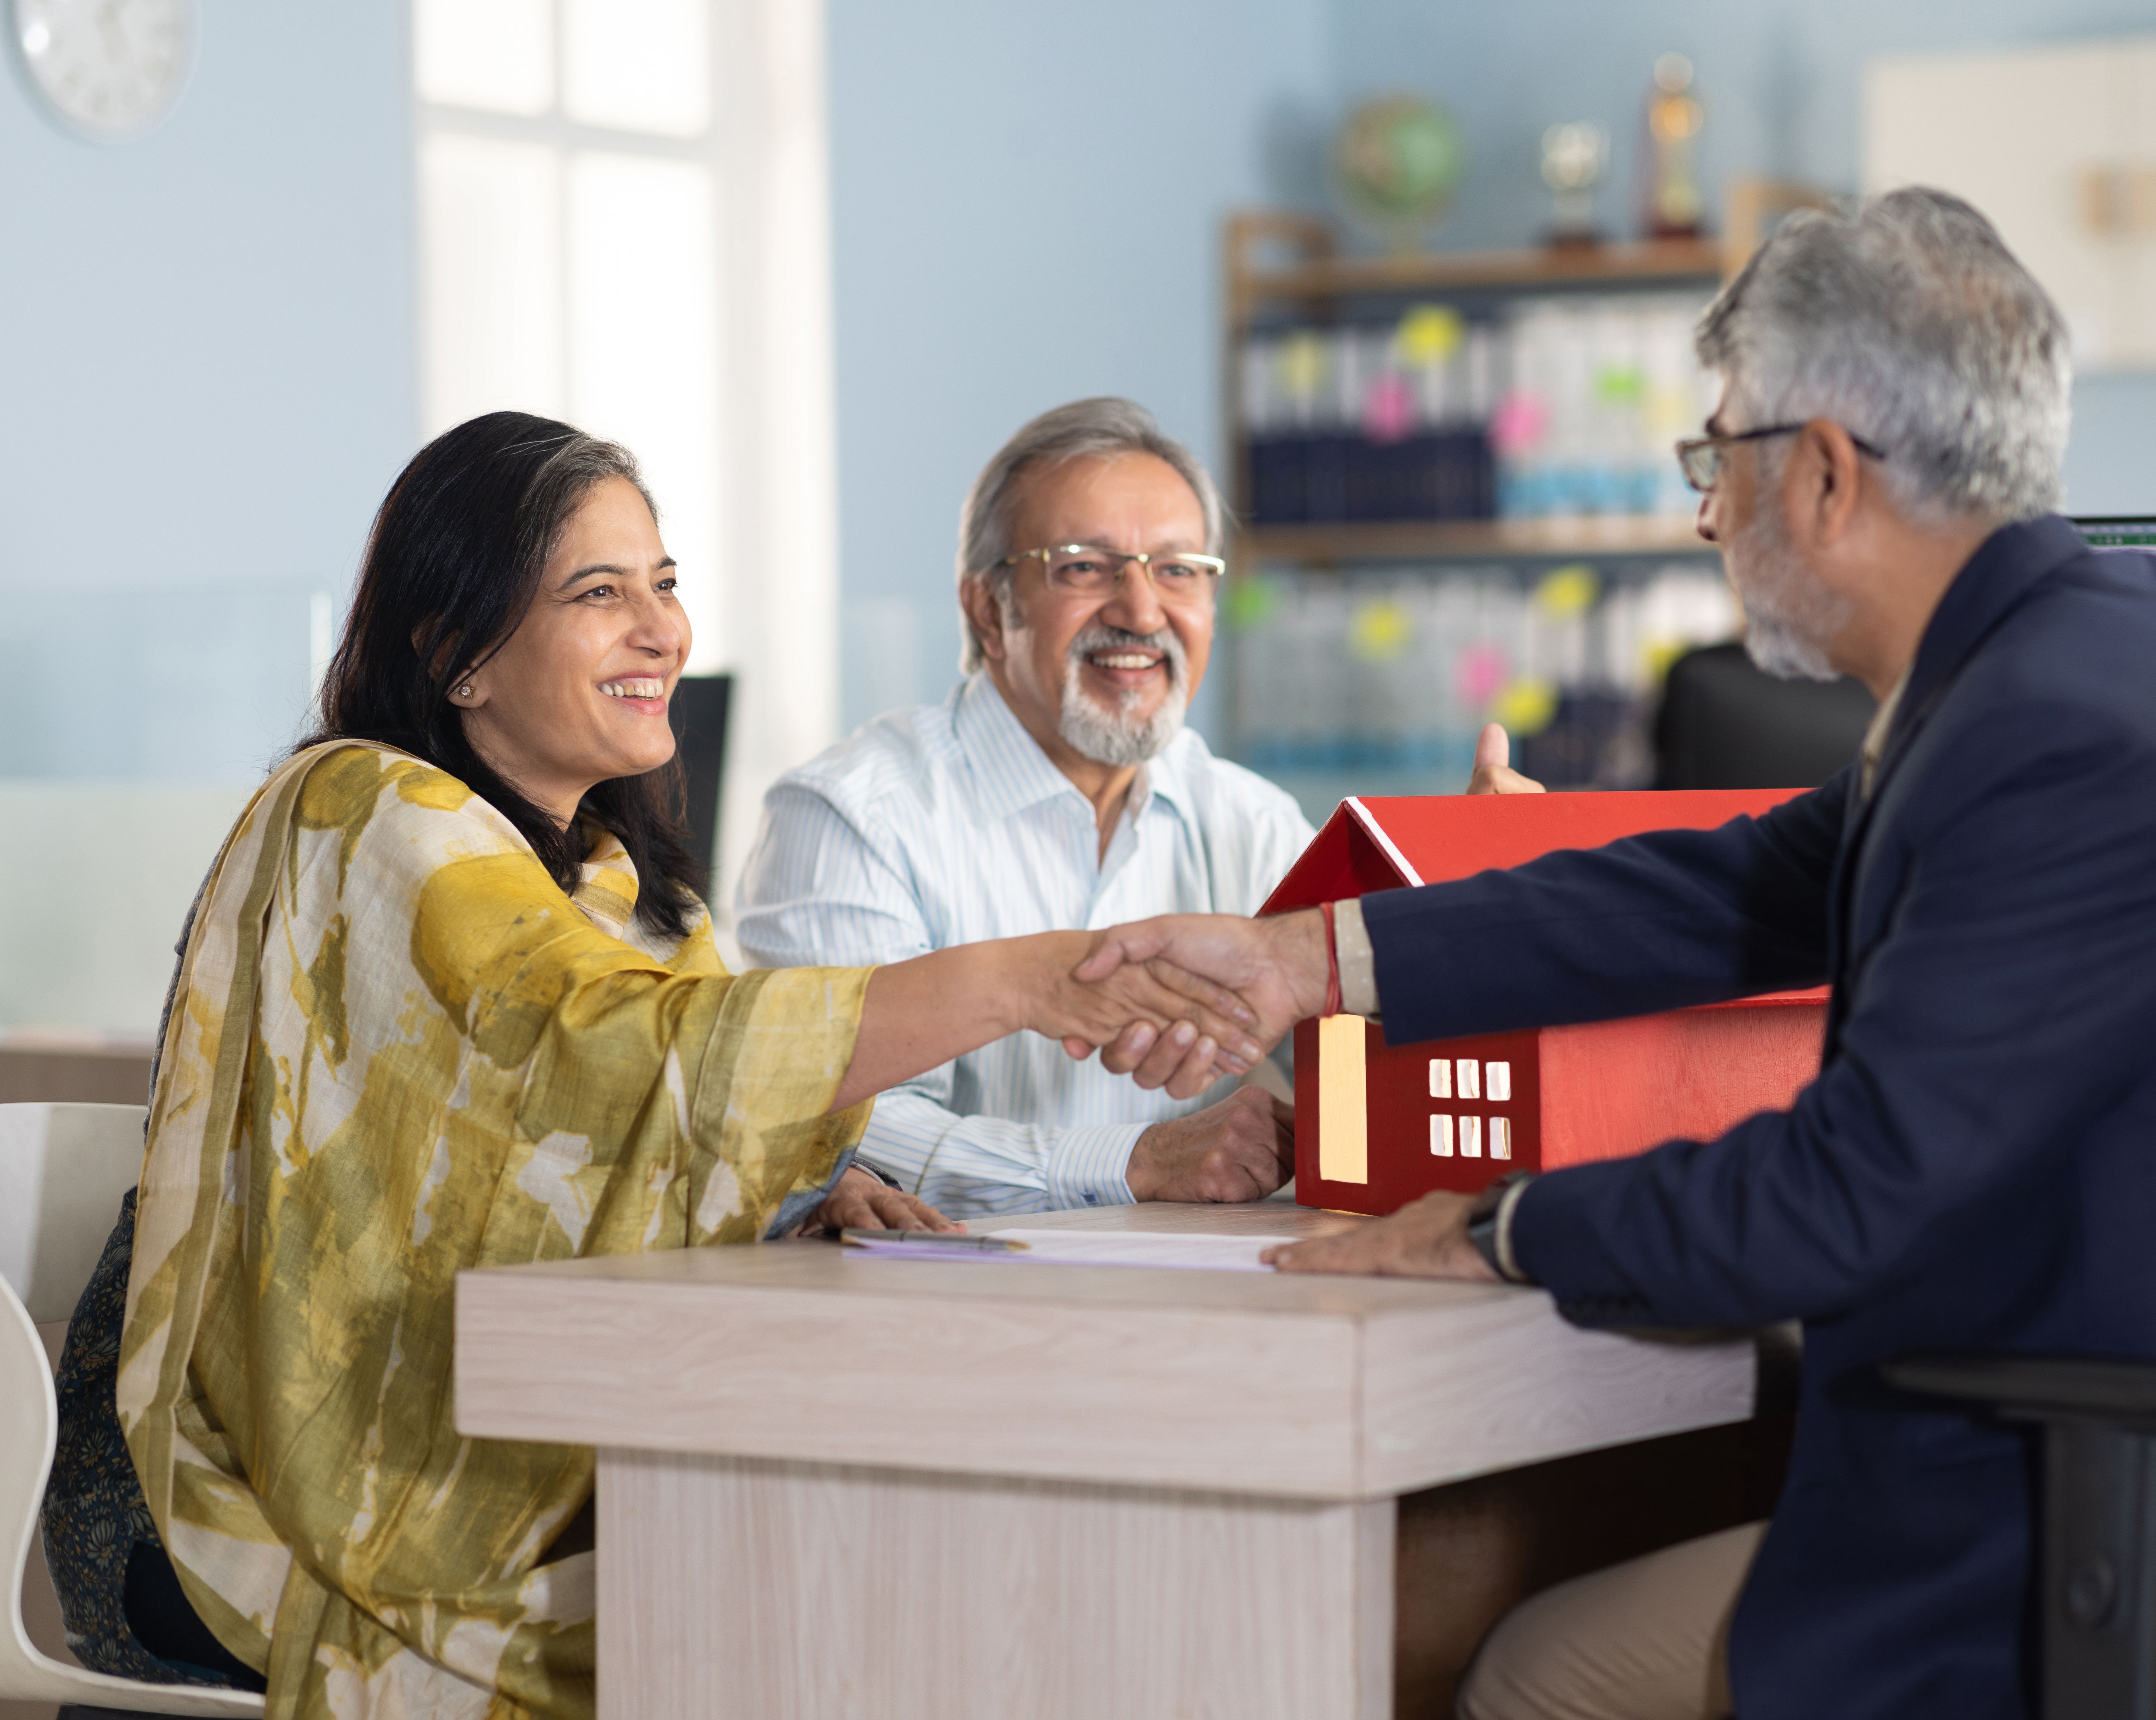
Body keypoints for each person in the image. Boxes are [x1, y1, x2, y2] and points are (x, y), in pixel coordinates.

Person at [1073, 191, 2156, 1718]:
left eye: (1717, 458)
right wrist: (1310, 956)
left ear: (1821, 474)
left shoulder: (2059, 738)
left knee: (1523, 1676)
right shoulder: (2058, 654)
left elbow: (1843, 1196)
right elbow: (1726, 892)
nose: (1704, 517)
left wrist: (1494, 1227)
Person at [39, 412, 1260, 1720]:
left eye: (666, 585)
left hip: (525, 1459)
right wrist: (1027, 980)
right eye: (599, 593)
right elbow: (613, 1047)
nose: (662, 631)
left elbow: (710, 1104)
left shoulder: (618, 884)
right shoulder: (358, 808)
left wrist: (803, 1188)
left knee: (883, 1588)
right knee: (793, 1615)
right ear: (457, 655)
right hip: (273, 1489)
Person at [735, 397, 1526, 1214]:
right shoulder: (848, 816)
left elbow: (1370, 1079)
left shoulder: (1246, 819)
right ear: (987, 608)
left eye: (1178, 569)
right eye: (1083, 566)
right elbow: (833, 1132)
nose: (1143, 612)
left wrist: (1451, 907)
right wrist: (1133, 1161)